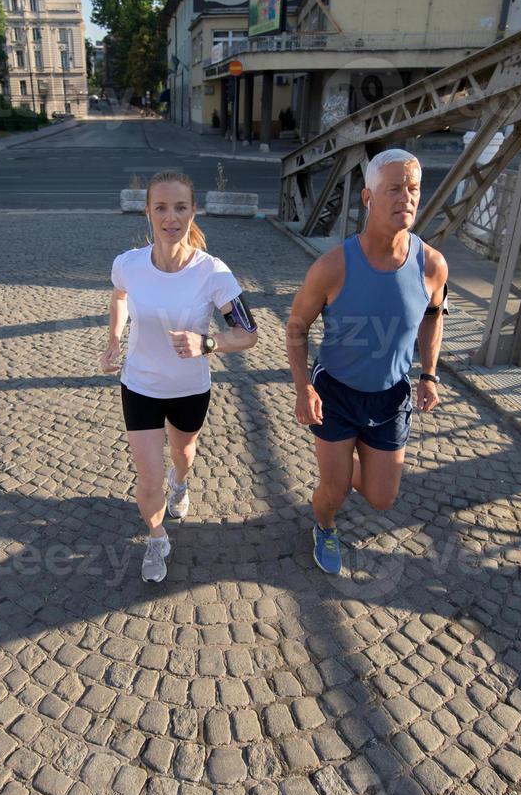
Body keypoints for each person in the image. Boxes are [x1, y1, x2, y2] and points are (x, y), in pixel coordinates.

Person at [286, 149, 449, 575]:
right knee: (335, 490)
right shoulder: (332, 266)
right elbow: (297, 328)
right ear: (367, 198)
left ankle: (348, 462)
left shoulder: (432, 265)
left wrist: (429, 374)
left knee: (382, 498)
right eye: (394, 189)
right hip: (335, 392)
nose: (406, 198)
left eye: (413, 189)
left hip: (390, 398)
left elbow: (433, 317)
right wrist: (304, 387)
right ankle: (323, 523)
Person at [102, 170, 259, 582]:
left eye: (180, 208)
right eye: (161, 208)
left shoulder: (215, 273)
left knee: (182, 455)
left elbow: (248, 334)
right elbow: (119, 296)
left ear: (193, 211)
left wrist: (208, 344)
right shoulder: (128, 264)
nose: (171, 218)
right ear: (148, 212)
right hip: (140, 385)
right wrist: (114, 338)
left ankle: (182, 483)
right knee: (148, 476)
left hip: (189, 388)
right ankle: (156, 538)